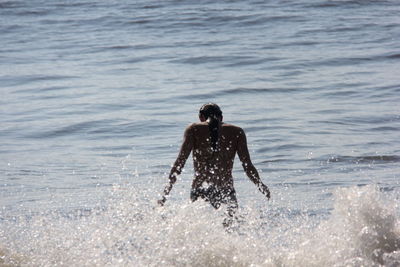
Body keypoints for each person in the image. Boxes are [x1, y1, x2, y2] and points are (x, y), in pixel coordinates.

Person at [158, 103, 270, 218]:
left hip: (200, 189)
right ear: (221, 117)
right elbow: (247, 165)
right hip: (226, 190)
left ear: (201, 117)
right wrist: (260, 185)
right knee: (230, 230)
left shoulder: (193, 129)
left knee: (200, 231)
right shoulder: (237, 132)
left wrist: (166, 193)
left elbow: (180, 162)